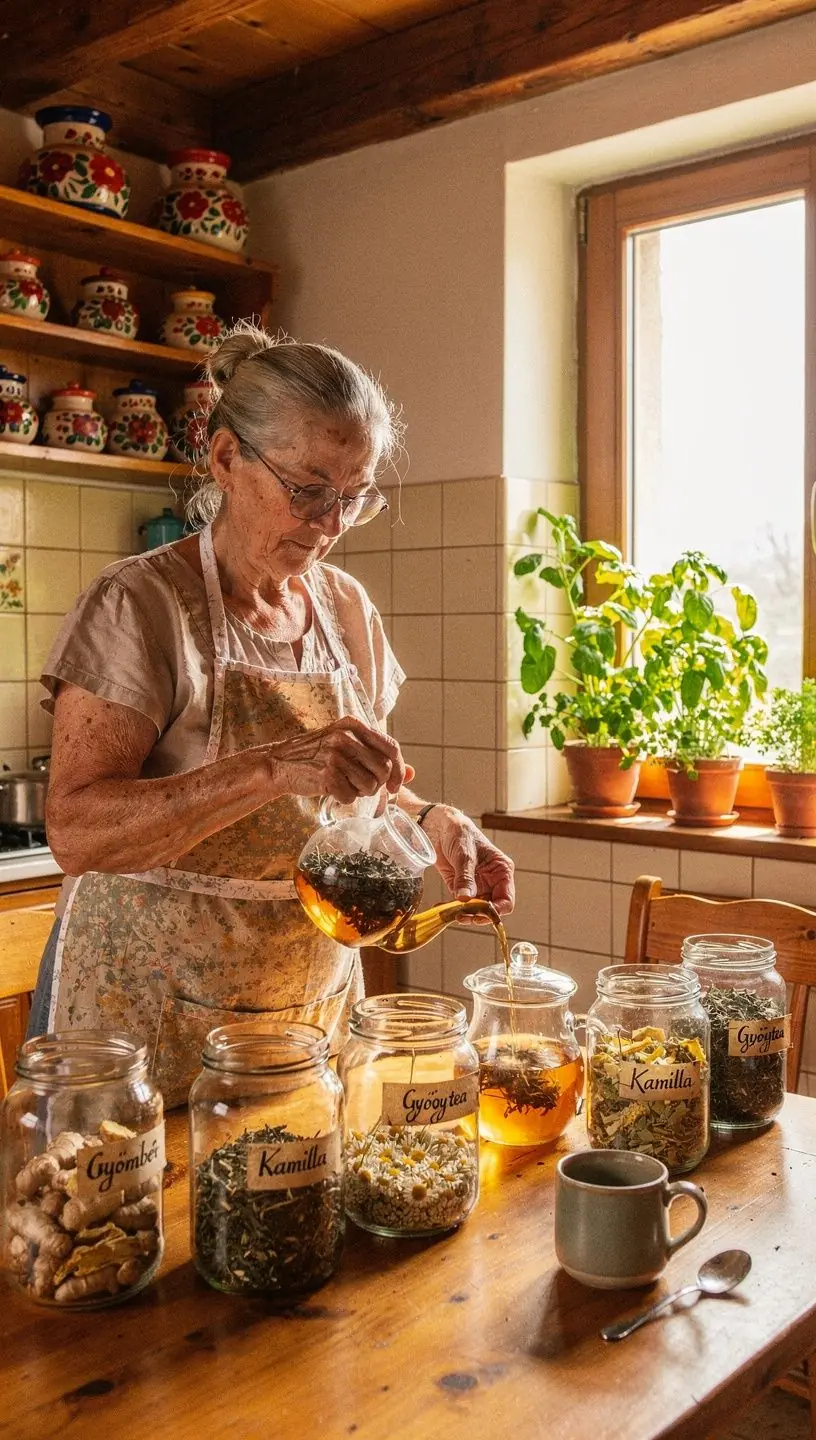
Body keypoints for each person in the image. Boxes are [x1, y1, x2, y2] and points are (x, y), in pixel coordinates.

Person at [29, 324, 515, 1104]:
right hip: (142, 1017)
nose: (328, 523)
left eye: (353, 498)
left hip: (305, 1011)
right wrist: (268, 766)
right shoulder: (141, 605)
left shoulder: (346, 610)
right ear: (226, 459)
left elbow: (353, 793)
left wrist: (430, 821)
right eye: (307, 488)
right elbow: (77, 831)